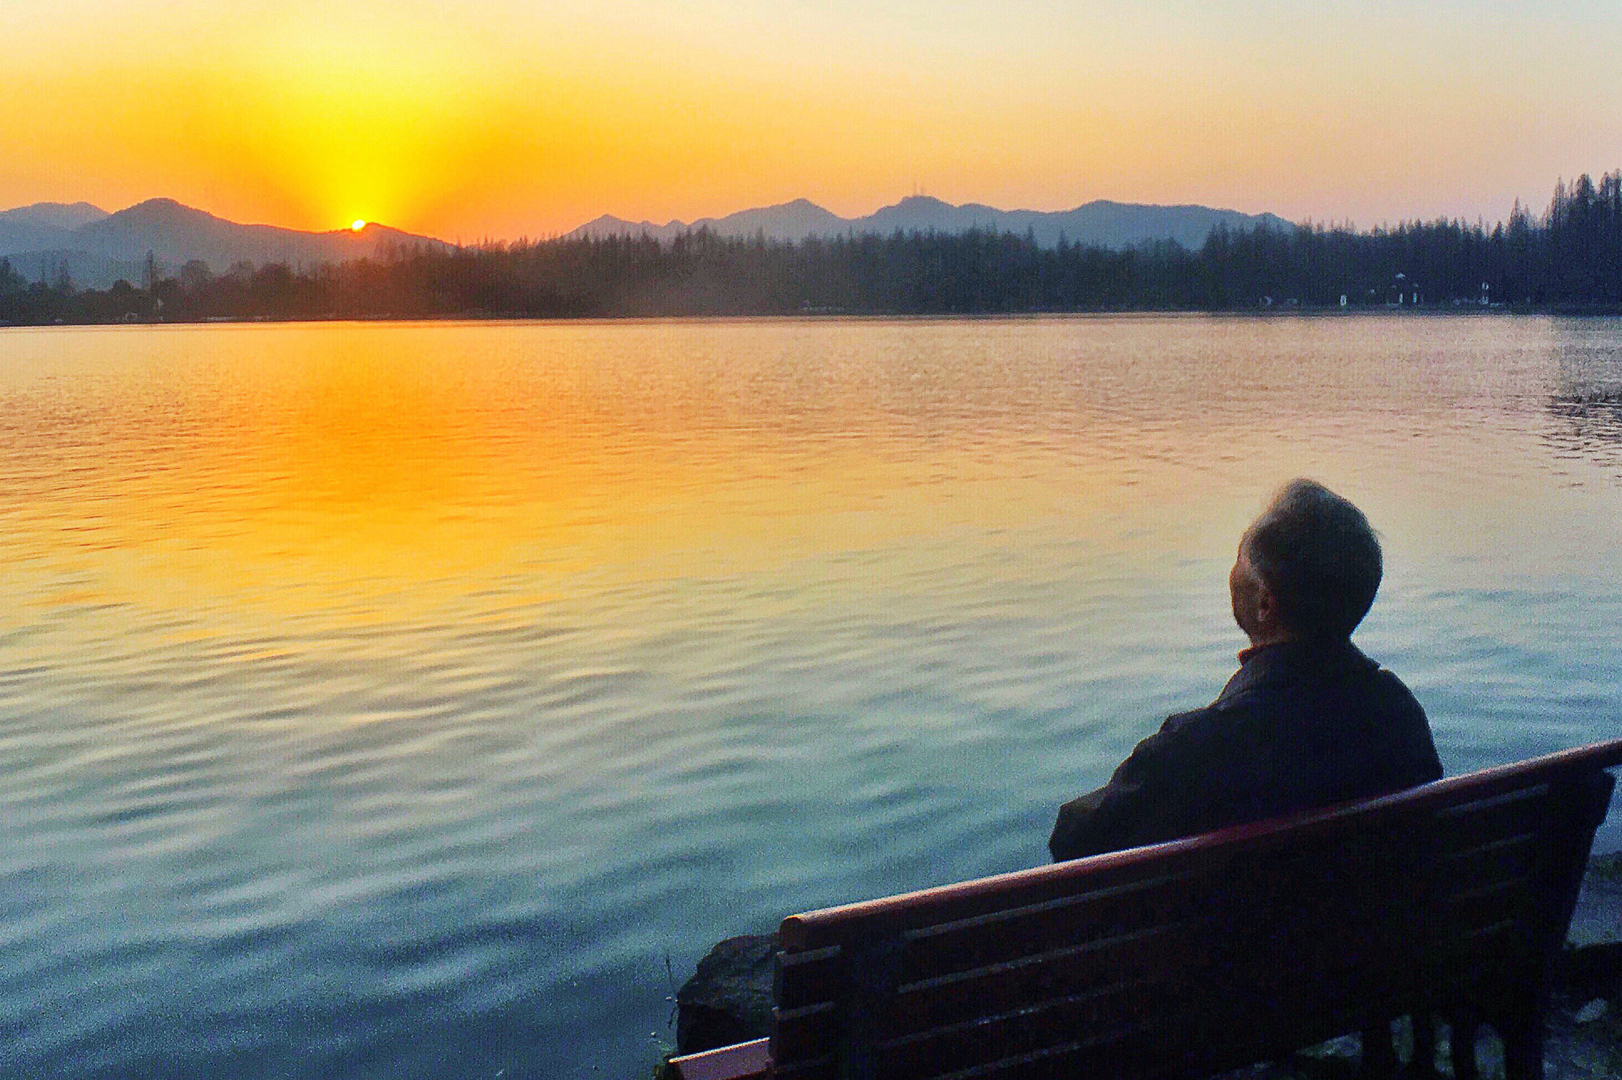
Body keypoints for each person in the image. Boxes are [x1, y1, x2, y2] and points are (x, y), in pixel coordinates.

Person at [1049, 478, 1441, 862]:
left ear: (1266, 604)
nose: (1233, 571)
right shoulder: (1397, 713)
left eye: (1240, 559)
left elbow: (1074, 839)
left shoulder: (1198, 747)